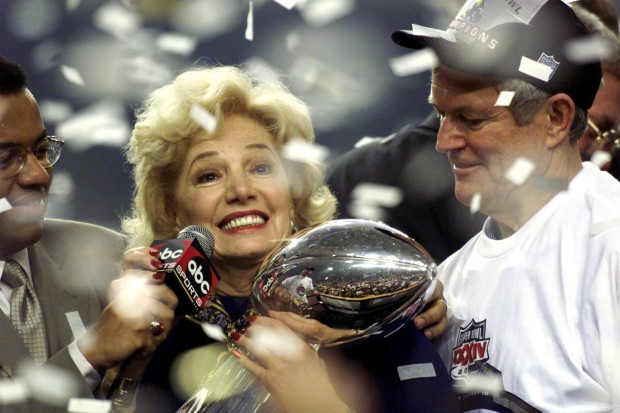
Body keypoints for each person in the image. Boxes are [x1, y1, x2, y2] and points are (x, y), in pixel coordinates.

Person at [122, 65, 458, 413]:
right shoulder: (159, 330)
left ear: (293, 191)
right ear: (172, 210)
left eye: (261, 167)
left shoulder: (370, 305)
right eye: (209, 175)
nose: (241, 190)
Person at [391, 0, 619, 411]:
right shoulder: (447, 283)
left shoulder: (610, 245)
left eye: (472, 120)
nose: (444, 142)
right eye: (440, 114)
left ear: (556, 118)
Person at [0, 55, 177, 412]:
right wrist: (89, 354)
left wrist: (139, 366)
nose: (39, 175)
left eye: (41, 150)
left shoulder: (107, 257)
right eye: (6, 159)